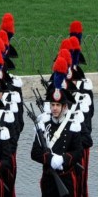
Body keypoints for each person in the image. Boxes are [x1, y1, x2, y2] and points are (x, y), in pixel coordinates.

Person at [31, 56, 83, 197]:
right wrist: (48, 159)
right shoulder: (43, 124)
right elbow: (34, 153)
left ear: (64, 106)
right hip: (48, 178)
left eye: (57, 105)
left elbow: (79, 152)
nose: (54, 108)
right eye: (52, 105)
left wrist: (63, 159)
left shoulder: (72, 125)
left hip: (66, 178)